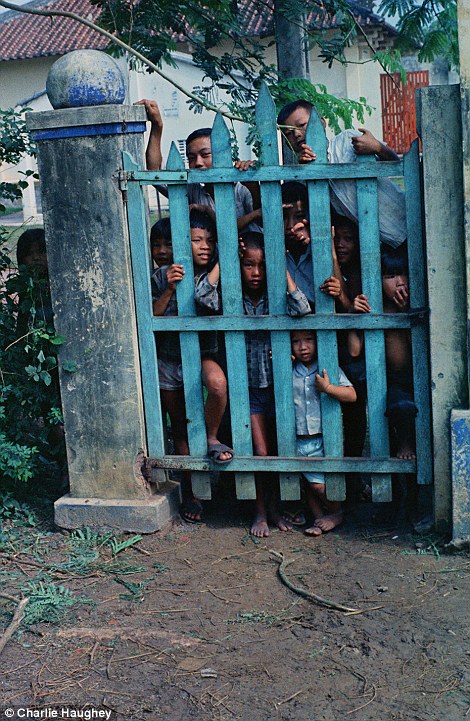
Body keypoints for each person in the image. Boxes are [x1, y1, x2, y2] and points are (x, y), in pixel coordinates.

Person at [194, 231, 311, 537]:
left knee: (280, 451)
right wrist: (227, 258)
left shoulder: (276, 294)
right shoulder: (232, 295)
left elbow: (303, 308)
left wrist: (279, 265)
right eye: (248, 264)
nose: (256, 273)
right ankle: (260, 511)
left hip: (279, 387)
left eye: (261, 265)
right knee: (260, 452)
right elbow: (203, 295)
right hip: (249, 391)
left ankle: (274, 507)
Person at [151, 208, 234, 524]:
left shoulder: (217, 274)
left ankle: (212, 437)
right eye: (197, 240)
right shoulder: (161, 276)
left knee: (217, 385)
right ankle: (192, 493)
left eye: (210, 241)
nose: (205, 246)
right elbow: (154, 317)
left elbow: (207, 301)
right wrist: (170, 289)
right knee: (181, 426)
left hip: (201, 353)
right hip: (168, 357)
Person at [277, 100, 407, 249]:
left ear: (322, 123)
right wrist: (307, 171)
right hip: (379, 243)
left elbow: (396, 164)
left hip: (404, 221)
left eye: (302, 125)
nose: (297, 134)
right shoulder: (304, 170)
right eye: (289, 133)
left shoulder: (347, 141)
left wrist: (378, 147)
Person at [137, 99, 262, 232]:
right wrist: (157, 126)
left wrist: (253, 184)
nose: (197, 162)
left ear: (223, 156)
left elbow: (265, 219)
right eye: (191, 158)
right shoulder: (194, 191)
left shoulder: (242, 188)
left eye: (205, 154)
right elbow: (155, 173)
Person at [349, 244, 417, 460]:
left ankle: (409, 442)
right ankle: (403, 441)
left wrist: (406, 313)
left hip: (420, 377)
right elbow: (354, 350)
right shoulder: (376, 309)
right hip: (394, 382)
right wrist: (353, 315)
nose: (400, 281)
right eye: (391, 275)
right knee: (400, 406)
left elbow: (418, 346)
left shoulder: (417, 305)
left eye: (404, 273)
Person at [291, 329, 356, 536]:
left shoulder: (327, 367)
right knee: (309, 483)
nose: (303, 347)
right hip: (295, 437)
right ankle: (319, 518)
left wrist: (328, 388)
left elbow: (352, 395)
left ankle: (337, 513)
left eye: (309, 339)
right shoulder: (289, 369)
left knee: (319, 484)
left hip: (322, 438)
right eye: (296, 341)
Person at [281, 182, 345, 309]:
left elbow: (341, 296)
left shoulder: (320, 250)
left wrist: (322, 240)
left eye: (299, 216)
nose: (290, 225)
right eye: (283, 217)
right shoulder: (270, 251)